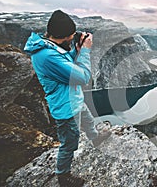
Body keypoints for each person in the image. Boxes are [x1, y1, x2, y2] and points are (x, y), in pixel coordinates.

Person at [24, 10, 111, 187]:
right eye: (71, 36)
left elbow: (65, 63)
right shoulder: (47, 56)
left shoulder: (51, 47)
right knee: (69, 143)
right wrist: (85, 51)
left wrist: (76, 51)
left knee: (88, 120)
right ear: (63, 36)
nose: (73, 38)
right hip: (66, 107)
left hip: (74, 100)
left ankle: (95, 137)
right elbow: (83, 77)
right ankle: (63, 175)